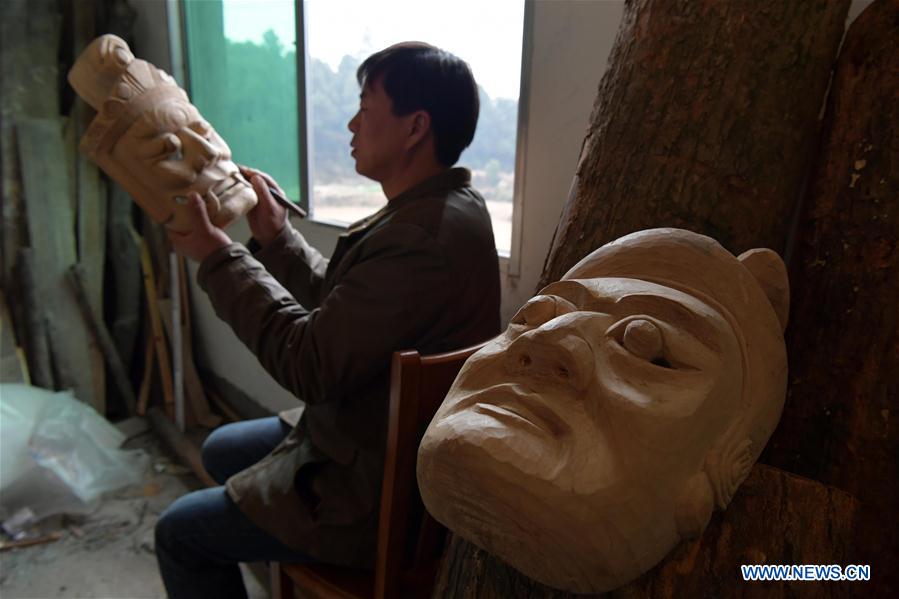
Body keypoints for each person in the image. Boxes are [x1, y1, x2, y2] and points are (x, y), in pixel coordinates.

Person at [154, 42, 501, 599]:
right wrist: (276, 236)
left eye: (365, 108)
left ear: (415, 128)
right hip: (374, 432)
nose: (352, 124)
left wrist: (217, 256)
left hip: (377, 489)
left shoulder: (420, 238)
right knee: (220, 449)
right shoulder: (443, 208)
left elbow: (309, 363)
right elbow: (345, 311)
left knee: (179, 534)